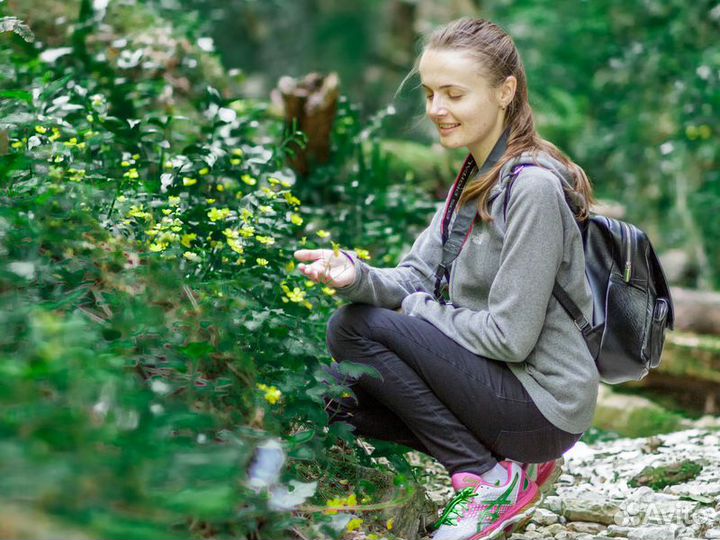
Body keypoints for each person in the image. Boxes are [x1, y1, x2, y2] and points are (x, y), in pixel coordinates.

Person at [294, 17, 599, 540]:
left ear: (505, 92)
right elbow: (417, 274)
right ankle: (505, 468)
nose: (436, 109)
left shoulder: (532, 190)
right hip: (502, 388)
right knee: (334, 389)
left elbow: (510, 336)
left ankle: (485, 479)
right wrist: (356, 275)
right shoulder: (474, 175)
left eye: (454, 94)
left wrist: (410, 312)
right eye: (431, 93)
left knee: (354, 329)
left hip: (544, 404)